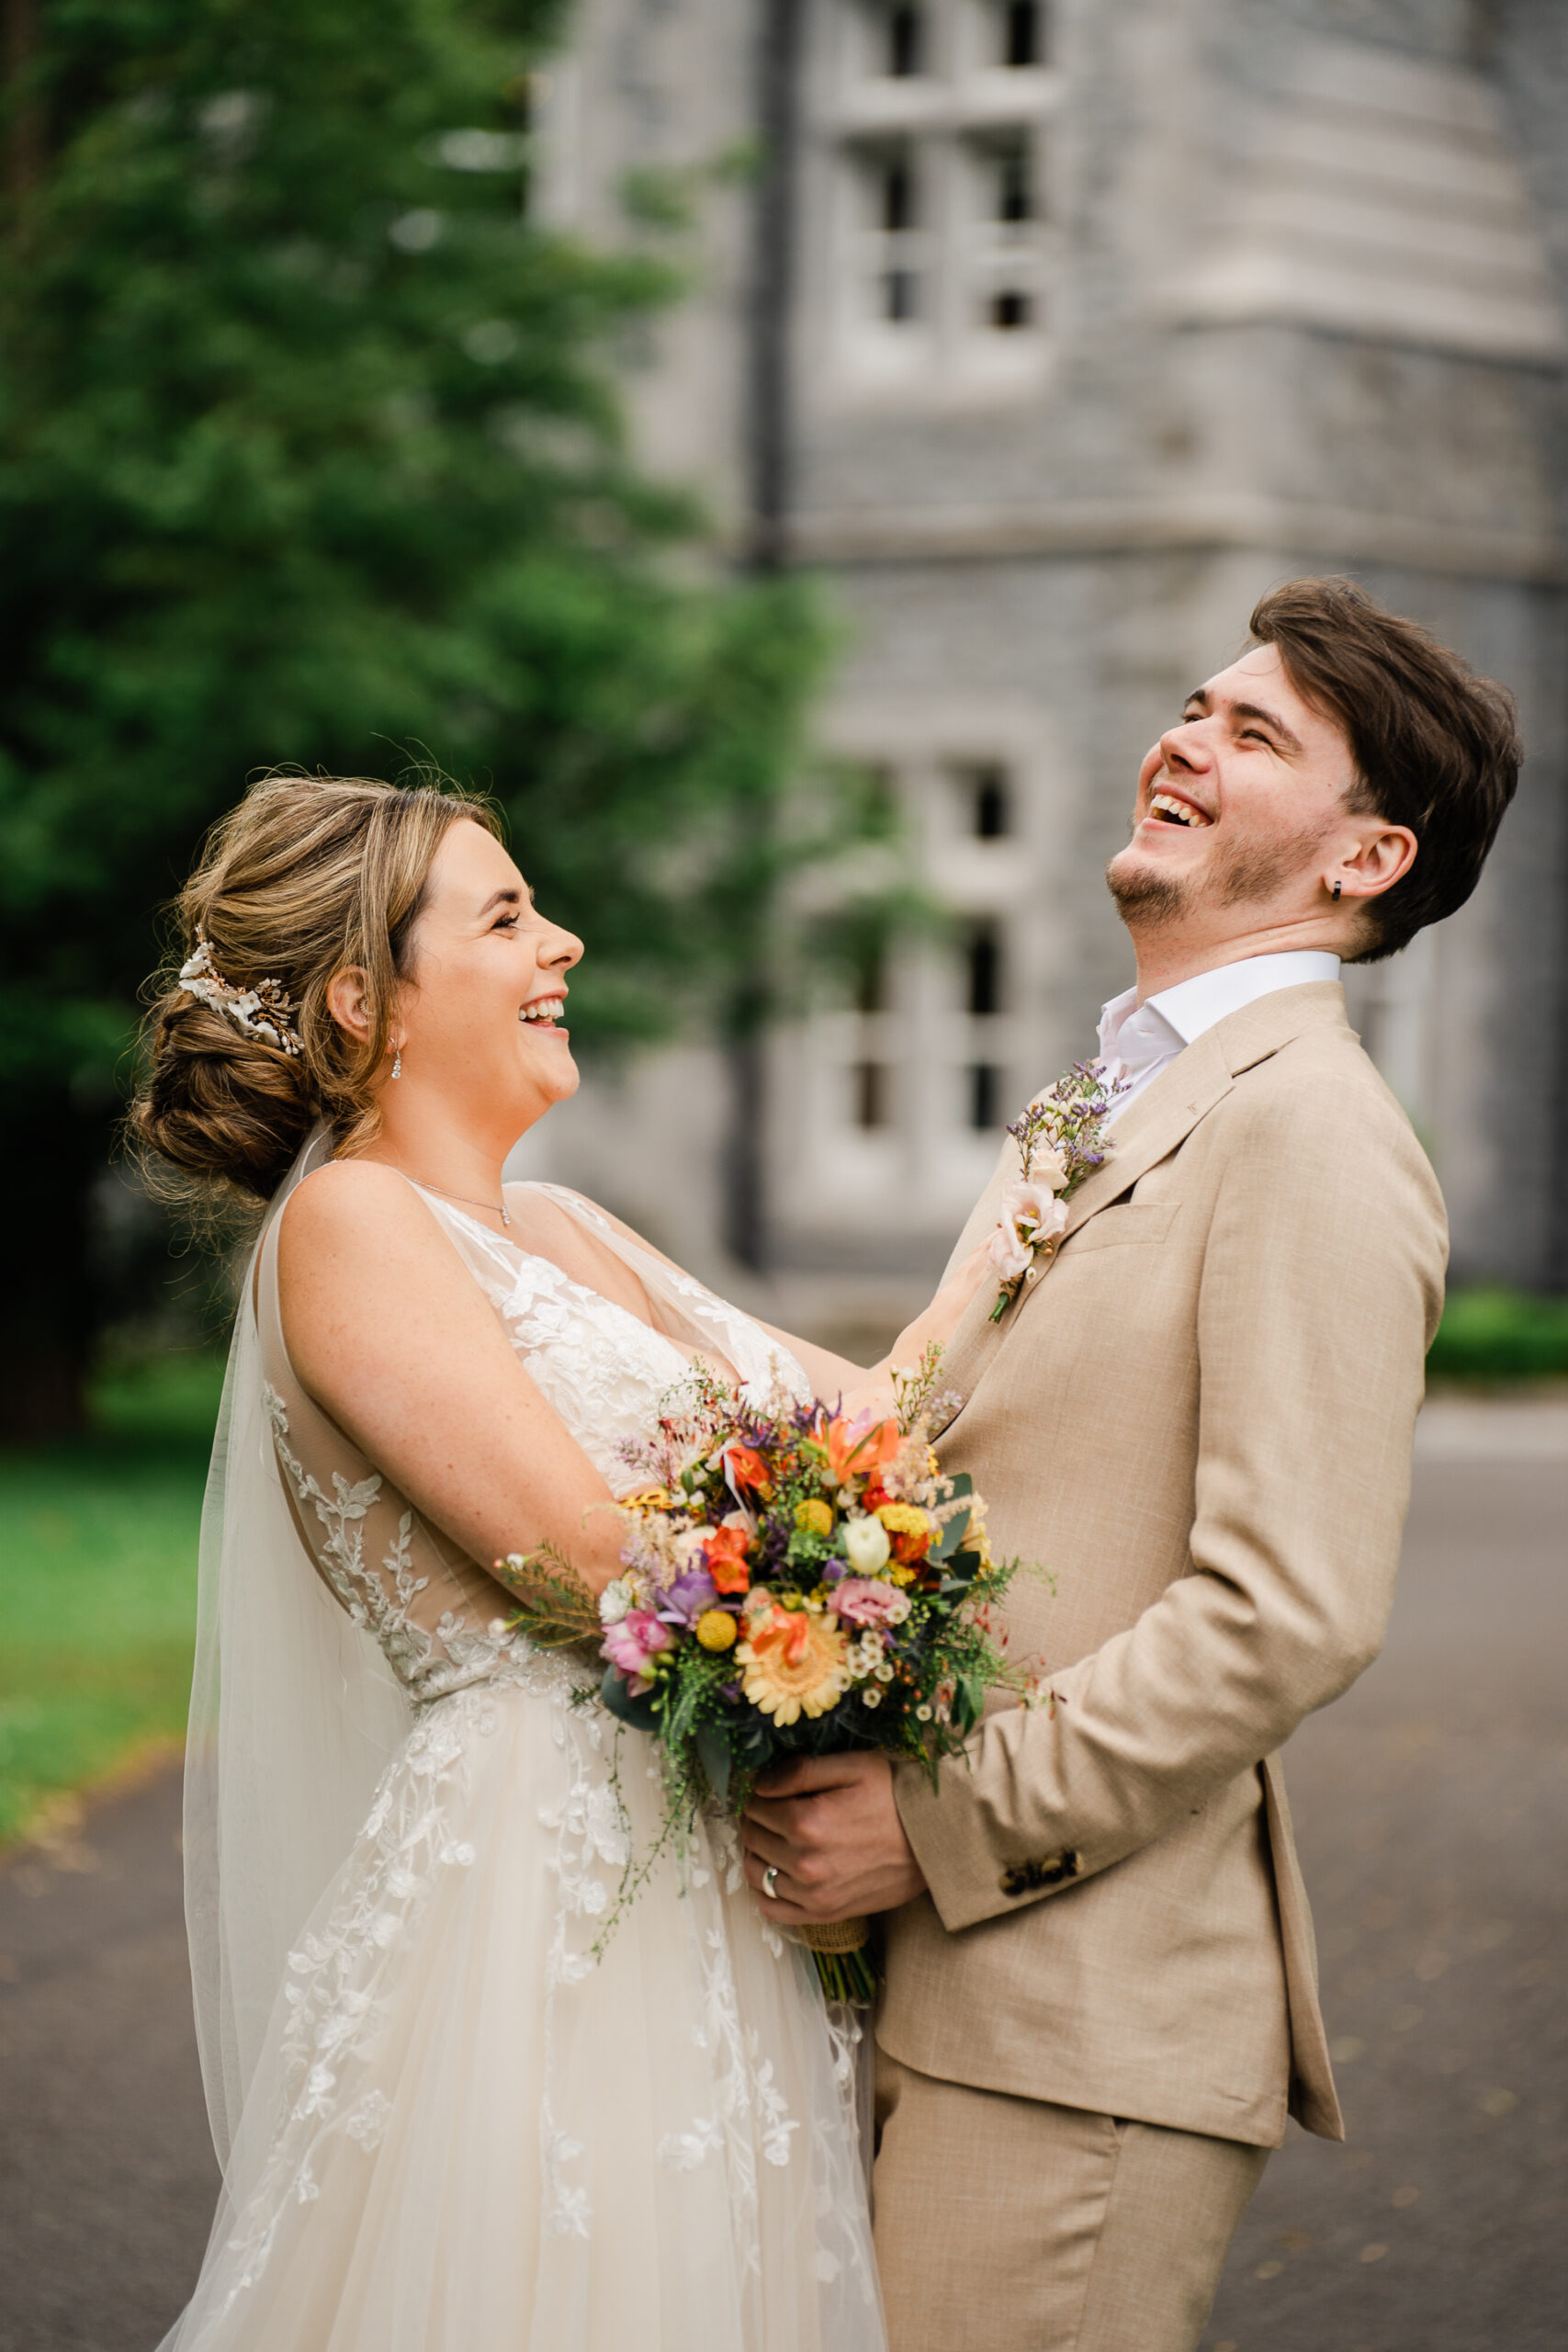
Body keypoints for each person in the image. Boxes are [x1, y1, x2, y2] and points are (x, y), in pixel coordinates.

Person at [739, 577, 1522, 2352]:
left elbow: (1287, 1615)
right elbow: (912, 1432)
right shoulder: (1111, 1098)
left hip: (1077, 2039)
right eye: (1197, 705)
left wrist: (930, 1828)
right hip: (929, 1996)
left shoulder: (1314, 1133)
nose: (1185, 740)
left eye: (1258, 735)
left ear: (1365, 860)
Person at [132, 772, 987, 2352]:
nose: (566, 943)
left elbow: (877, 1420)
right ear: (361, 999)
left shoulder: (572, 1224)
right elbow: (599, 1566)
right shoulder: (352, 1228)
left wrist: (1047, 1203)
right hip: (544, 1881)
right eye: (509, 917)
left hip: (708, 1869)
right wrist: (831, 1560)